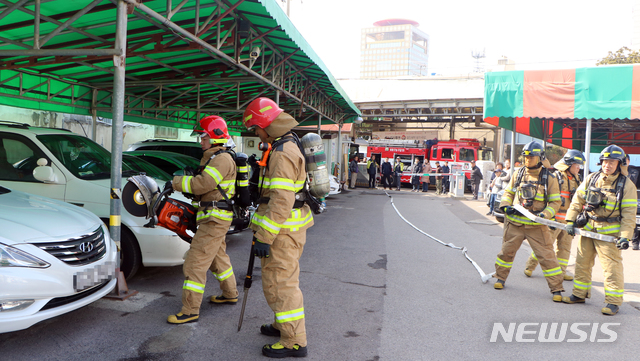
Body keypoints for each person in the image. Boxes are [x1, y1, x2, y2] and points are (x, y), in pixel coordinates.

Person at [243, 97, 313, 357]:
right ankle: (283, 324)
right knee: (281, 282)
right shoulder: (287, 143)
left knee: (281, 286)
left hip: (282, 234)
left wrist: (264, 235)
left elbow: (282, 201)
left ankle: (293, 341)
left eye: (256, 128)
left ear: (266, 124)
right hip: (288, 232)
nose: (256, 133)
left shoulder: (282, 153)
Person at [167, 115, 239, 325]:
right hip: (214, 217)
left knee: (195, 262)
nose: (201, 141)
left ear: (215, 137)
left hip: (214, 219)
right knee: (218, 258)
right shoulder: (216, 158)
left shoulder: (221, 159)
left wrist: (176, 183)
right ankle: (230, 293)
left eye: (203, 137)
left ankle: (190, 310)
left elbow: (203, 184)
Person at [562, 145, 637, 316]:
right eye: (605, 161)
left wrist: (625, 237)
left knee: (611, 269)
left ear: (619, 164)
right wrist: (570, 220)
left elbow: (629, 215)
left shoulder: (627, 185)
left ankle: (613, 302)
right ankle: (579, 294)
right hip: (589, 228)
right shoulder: (591, 178)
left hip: (609, 234)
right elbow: (576, 201)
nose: (607, 165)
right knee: (582, 263)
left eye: (612, 162)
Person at [493, 141, 564, 302]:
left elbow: (555, 202)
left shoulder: (549, 178)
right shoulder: (518, 173)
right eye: (525, 156)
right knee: (506, 252)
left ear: (540, 157)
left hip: (537, 225)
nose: (527, 160)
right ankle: (500, 278)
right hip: (515, 223)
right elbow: (509, 192)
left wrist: (545, 215)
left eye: (531, 157)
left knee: (547, 257)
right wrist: (505, 206)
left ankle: (557, 289)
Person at [524, 150, 584, 281]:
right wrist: (549, 217)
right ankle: (529, 267)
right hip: (554, 220)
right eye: (577, 165)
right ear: (568, 165)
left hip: (568, 222)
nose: (579, 168)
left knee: (565, 248)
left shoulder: (577, 179)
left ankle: (561, 272)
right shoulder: (556, 177)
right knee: (545, 246)